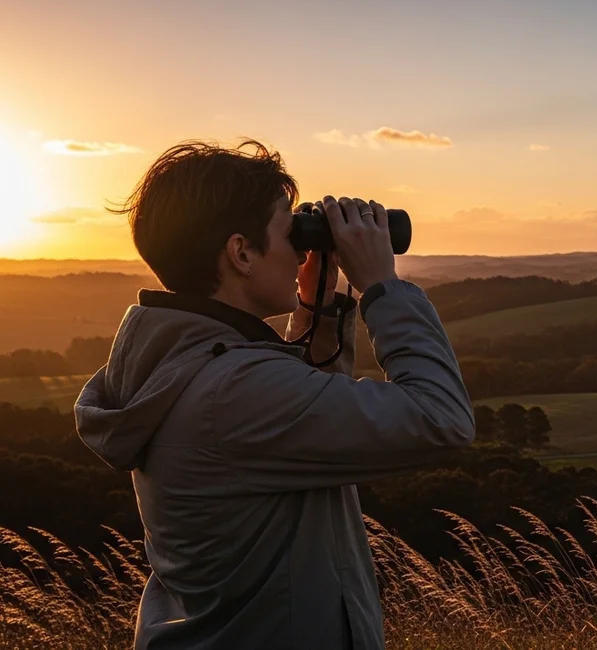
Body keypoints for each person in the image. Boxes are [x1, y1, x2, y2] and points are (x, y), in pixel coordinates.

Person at [74, 140, 475, 649]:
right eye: (291, 232)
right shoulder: (234, 390)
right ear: (241, 253)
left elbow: (302, 417)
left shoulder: (187, 365)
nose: (302, 250)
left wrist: (317, 308)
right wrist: (382, 287)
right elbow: (441, 418)